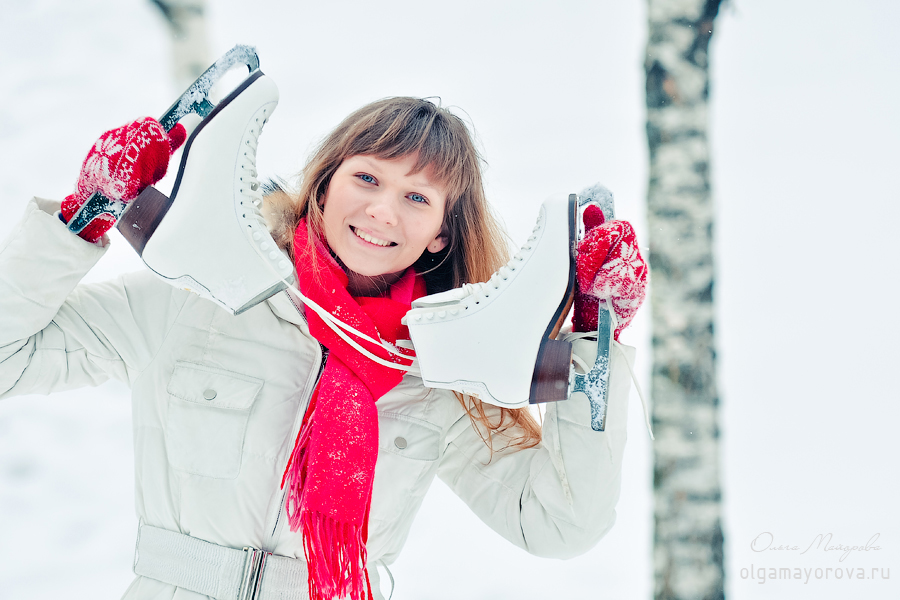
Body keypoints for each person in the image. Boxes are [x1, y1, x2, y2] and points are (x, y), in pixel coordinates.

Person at [0, 96, 648, 600]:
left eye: (416, 197)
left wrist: (595, 337)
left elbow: (559, 522)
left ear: (439, 238)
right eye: (367, 178)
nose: (383, 211)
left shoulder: (439, 372)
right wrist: (82, 217)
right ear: (326, 183)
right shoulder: (196, 301)